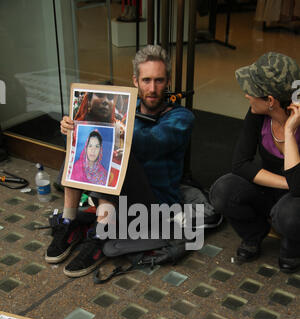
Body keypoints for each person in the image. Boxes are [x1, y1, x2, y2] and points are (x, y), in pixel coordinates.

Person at [45, 44, 195, 278]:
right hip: (116, 198)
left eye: (159, 80)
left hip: (152, 206)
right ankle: (68, 221)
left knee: (118, 151)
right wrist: (74, 126)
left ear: (168, 82)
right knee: (84, 140)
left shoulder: (181, 118)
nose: (153, 88)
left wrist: (113, 130)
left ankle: (98, 238)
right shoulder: (126, 108)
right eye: (146, 80)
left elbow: (153, 142)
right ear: (135, 81)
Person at [210, 52, 300, 273]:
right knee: (222, 190)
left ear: (270, 101)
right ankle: (254, 233)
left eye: (251, 91)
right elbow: (240, 164)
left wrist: (289, 132)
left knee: (288, 214)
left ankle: (293, 246)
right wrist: (286, 183)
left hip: (297, 202)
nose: (246, 95)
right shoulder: (257, 113)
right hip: (280, 186)